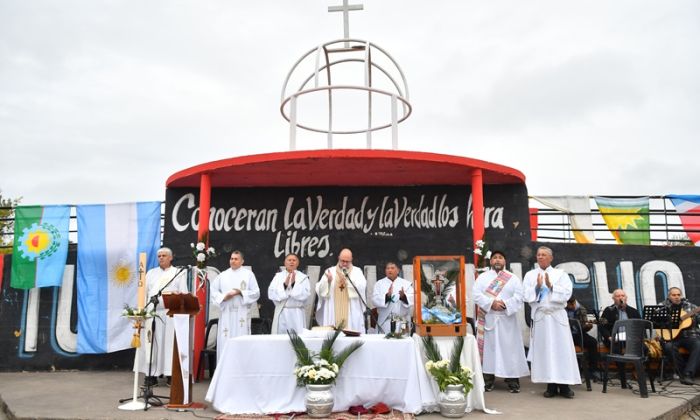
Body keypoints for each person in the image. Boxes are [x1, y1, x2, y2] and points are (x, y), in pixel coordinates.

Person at [523, 246, 581, 398]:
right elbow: (526, 295)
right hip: (542, 318)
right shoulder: (530, 275)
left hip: (557, 318)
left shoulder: (560, 274)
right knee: (546, 351)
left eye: (543, 255)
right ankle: (551, 385)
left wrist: (551, 286)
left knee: (561, 351)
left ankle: (565, 385)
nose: (540, 257)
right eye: (538, 255)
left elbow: (567, 293)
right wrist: (537, 287)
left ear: (551, 258)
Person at [472, 250, 530, 393]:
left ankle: (512, 380)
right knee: (489, 350)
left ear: (505, 261)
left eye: (500, 258)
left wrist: (503, 304)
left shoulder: (512, 278)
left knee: (509, 350)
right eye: (495, 258)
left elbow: (519, 296)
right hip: (489, 317)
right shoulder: (482, 278)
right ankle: (488, 380)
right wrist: (491, 303)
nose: (497, 260)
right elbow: (476, 294)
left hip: (507, 320)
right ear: (490, 261)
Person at [137, 247, 189, 387]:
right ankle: (151, 375)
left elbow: (183, 293)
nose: (161, 258)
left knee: (169, 345)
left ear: (170, 258)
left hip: (170, 314)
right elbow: (144, 293)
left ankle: (170, 374)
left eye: (164, 255)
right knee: (151, 344)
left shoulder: (178, 273)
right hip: (152, 314)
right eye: (159, 255)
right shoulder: (151, 273)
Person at [210, 251, 260, 363]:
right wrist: (224, 297)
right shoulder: (223, 275)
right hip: (227, 312)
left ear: (242, 261)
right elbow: (213, 291)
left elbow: (256, 292)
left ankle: (241, 368)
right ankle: (224, 368)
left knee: (241, 340)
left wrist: (241, 292)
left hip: (241, 313)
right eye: (231, 258)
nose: (233, 261)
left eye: (236, 259)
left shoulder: (248, 275)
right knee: (225, 339)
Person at [315, 248, 367, 333]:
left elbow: (362, 286)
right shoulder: (330, 271)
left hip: (351, 309)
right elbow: (319, 289)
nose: (345, 264)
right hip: (333, 308)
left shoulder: (357, 271)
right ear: (338, 258)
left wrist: (347, 283)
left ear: (351, 260)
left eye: (347, 261)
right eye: (342, 261)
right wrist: (328, 282)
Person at [659, 287, 700, 385]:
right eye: (674, 295)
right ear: (669, 296)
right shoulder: (662, 306)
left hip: (689, 336)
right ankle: (683, 373)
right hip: (671, 336)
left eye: (678, 295)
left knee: (698, 345)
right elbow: (657, 322)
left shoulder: (691, 306)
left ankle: (688, 373)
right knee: (668, 347)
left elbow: (698, 319)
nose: (677, 297)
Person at [268, 253, 311, 334]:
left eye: (294, 260)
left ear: (297, 263)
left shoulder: (303, 277)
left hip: (297, 313)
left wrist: (294, 284)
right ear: (285, 263)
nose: (291, 262)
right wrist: (284, 285)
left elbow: (306, 294)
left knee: (297, 338)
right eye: (289, 260)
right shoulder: (278, 277)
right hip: (282, 311)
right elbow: (271, 293)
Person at [371, 262, 414, 334]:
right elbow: (374, 300)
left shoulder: (406, 284)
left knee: (402, 343)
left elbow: (412, 298)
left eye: (392, 268)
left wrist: (403, 297)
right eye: (387, 268)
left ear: (398, 271)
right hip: (385, 321)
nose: (389, 270)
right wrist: (386, 297)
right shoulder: (379, 284)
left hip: (402, 321)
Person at [566, 296, 601, 381]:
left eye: (569, 305)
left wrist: (588, 327)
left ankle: (593, 370)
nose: (567, 307)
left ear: (573, 303)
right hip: (566, 335)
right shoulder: (563, 309)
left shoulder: (581, 310)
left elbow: (582, 328)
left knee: (592, 342)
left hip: (578, 334)